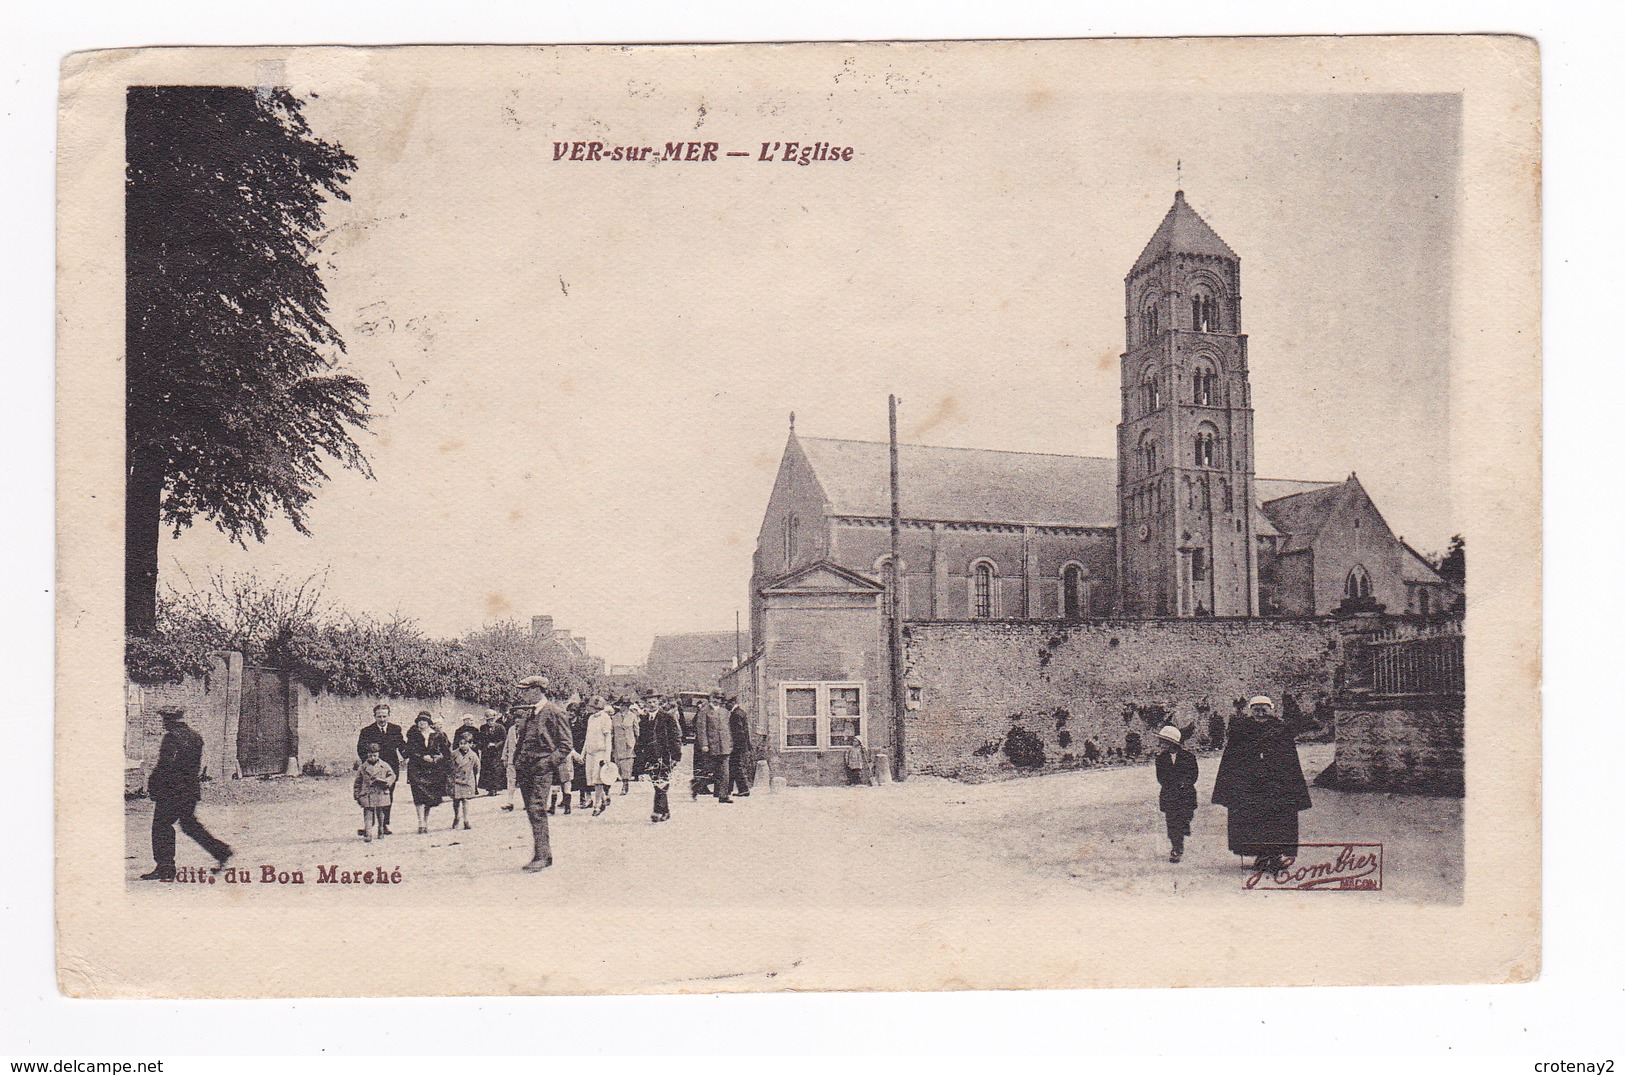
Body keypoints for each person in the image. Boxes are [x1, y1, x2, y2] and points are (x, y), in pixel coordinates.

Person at [1212, 695, 1312, 872]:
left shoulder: (1280, 729)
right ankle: (1260, 855)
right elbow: (1232, 758)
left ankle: (1275, 857)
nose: (1260, 713)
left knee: (1278, 821)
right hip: (1250, 786)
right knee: (1253, 821)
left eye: (1264, 709)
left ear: (1271, 710)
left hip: (1277, 785)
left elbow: (1290, 760)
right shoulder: (1241, 730)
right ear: (1251, 711)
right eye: (1256, 709)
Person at [140, 705, 233, 880]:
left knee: (161, 825)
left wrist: (154, 784)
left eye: (164, 720)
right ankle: (221, 852)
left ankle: (165, 866)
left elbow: (165, 766)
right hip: (190, 789)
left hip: (172, 790)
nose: (163, 724)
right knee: (189, 825)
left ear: (169, 720)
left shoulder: (171, 738)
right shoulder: (195, 737)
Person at [512, 675, 577, 872]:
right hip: (526, 770)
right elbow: (522, 741)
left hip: (541, 769)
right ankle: (541, 854)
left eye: (526, 690)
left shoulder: (554, 712)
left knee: (537, 809)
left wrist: (547, 764)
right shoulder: (529, 713)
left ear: (537, 690)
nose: (522, 695)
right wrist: (516, 762)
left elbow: (566, 745)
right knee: (532, 811)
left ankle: (543, 856)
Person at [356, 703, 406, 836]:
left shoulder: (395, 729)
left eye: (384, 716)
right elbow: (360, 749)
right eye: (379, 716)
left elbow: (402, 747)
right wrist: (368, 766)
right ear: (374, 716)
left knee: (387, 796)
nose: (382, 719)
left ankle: (384, 825)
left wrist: (410, 756)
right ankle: (370, 826)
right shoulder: (367, 731)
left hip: (390, 769)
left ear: (389, 716)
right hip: (372, 770)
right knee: (370, 797)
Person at [1154, 724, 1199, 863]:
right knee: (1172, 822)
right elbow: (1160, 777)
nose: (1161, 744)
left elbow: (1194, 775)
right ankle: (1176, 847)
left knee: (1185, 817)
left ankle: (1185, 825)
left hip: (1186, 794)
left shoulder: (1189, 757)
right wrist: (1171, 784)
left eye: (1164, 742)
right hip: (1170, 795)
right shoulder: (1160, 758)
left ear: (1172, 743)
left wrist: (1184, 783)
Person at [402, 712, 451, 834]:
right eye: (419, 721)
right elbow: (409, 751)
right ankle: (421, 823)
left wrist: (437, 758)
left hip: (432, 770)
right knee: (418, 796)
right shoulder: (413, 736)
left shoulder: (438, 735)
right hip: (416, 769)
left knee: (429, 797)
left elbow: (446, 752)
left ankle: (426, 820)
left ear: (429, 723)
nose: (422, 723)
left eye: (424, 721)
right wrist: (422, 757)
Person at [646, 700, 685, 823]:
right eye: (648, 702)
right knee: (656, 783)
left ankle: (657, 811)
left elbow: (675, 736)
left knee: (662, 782)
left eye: (653, 702)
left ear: (658, 702)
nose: (651, 704)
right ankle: (665, 811)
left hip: (665, 755)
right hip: (651, 757)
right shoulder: (644, 719)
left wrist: (676, 756)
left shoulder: (667, 717)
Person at [354, 742, 397, 842]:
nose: (372, 758)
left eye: (375, 755)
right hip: (367, 793)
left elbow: (392, 775)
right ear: (367, 755)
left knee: (380, 812)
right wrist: (357, 794)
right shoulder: (362, 767)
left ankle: (381, 829)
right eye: (370, 756)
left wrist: (387, 782)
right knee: (368, 813)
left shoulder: (384, 765)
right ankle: (368, 833)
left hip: (380, 792)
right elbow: (358, 782)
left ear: (378, 755)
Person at [695, 698, 735, 803]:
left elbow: (728, 728)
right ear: (711, 698)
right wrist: (704, 744)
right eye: (715, 697)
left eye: (720, 698)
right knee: (708, 770)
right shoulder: (704, 711)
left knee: (725, 772)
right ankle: (696, 787)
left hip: (724, 746)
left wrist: (730, 743)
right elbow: (701, 729)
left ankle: (723, 795)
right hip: (711, 746)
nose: (718, 700)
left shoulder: (725, 711)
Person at [581, 698, 615, 815]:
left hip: (600, 752)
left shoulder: (605, 718)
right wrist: (583, 753)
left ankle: (597, 805)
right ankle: (604, 798)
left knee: (598, 779)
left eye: (590, 706)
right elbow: (587, 737)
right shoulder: (590, 718)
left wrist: (607, 756)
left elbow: (608, 738)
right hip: (590, 752)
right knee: (590, 779)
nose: (588, 707)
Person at [449, 726, 481, 830]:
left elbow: (477, 768)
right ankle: (457, 816)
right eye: (460, 744)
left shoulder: (473, 755)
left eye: (465, 743)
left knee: (466, 800)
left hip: (467, 780)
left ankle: (466, 820)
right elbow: (450, 766)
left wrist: (471, 776)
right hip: (456, 780)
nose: (462, 746)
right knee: (456, 801)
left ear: (470, 744)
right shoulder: (454, 754)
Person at [611, 702, 641, 795]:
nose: (623, 707)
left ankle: (625, 784)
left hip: (629, 744)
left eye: (626, 705)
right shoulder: (615, 717)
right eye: (622, 705)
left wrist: (634, 742)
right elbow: (612, 731)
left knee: (627, 764)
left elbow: (637, 731)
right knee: (619, 764)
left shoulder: (632, 716)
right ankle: (622, 779)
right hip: (618, 743)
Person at [727, 699, 755, 797]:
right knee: (733, 766)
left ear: (732, 703)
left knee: (735, 766)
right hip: (741, 745)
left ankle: (743, 789)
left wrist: (735, 745)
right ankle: (729, 789)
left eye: (727, 704)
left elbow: (739, 732)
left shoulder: (736, 715)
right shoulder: (741, 712)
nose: (726, 706)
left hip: (737, 745)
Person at [477, 709, 508, 796]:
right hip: (487, 752)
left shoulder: (500, 727)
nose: (490, 722)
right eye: (488, 720)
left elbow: (504, 739)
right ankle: (489, 788)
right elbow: (481, 739)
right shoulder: (483, 728)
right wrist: (486, 745)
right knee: (487, 769)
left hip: (497, 752)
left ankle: (496, 788)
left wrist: (496, 745)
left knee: (496, 769)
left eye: (491, 719)